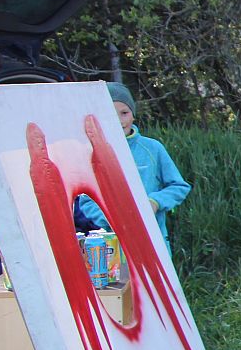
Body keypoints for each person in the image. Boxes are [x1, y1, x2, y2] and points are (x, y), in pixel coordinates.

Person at [75, 82, 190, 252]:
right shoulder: (92, 153)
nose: (119, 120)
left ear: (133, 115)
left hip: (154, 242)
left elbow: (179, 186)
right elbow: (86, 200)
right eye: (110, 113)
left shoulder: (153, 148)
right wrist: (110, 219)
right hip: (113, 246)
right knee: (119, 271)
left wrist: (155, 202)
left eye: (124, 113)